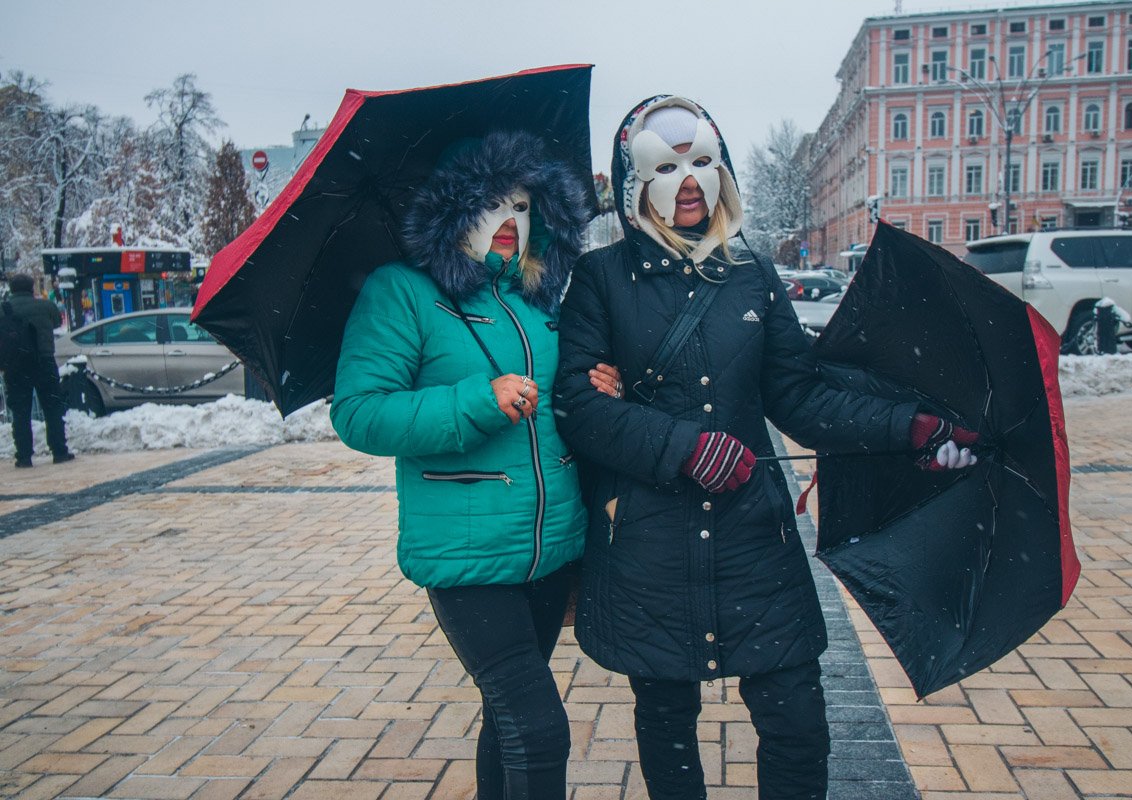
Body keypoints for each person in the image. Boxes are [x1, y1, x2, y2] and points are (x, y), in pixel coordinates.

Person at [554, 96, 977, 800]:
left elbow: (801, 396)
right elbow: (580, 409)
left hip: (756, 537)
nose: (688, 181)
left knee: (798, 721)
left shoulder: (752, 274)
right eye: (666, 167)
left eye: (701, 162)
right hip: (651, 541)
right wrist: (684, 447)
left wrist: (912, 428)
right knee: (667, 716)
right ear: (633, 183)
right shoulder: (600, 282)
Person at [330, 130, 620, 800]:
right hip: (465, 553)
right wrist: (474, 402)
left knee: (509, 722)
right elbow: (360, 413)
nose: (510, 220)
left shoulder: (541, 298)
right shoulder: (401, 292)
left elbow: (566, 401)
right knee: (541, 728)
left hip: (550, 551)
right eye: (492, 202)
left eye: (522, 204)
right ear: (453, 209)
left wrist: (602, 384)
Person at [3, 273, 73, 468]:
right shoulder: (45, 306)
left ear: (12, 289)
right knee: (52, 407)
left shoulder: (4, 309)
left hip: (15, 366)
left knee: (20, 412)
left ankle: (24, 456)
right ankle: (59, 451)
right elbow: (57, 323)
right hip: (44, 361)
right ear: (32, 288)